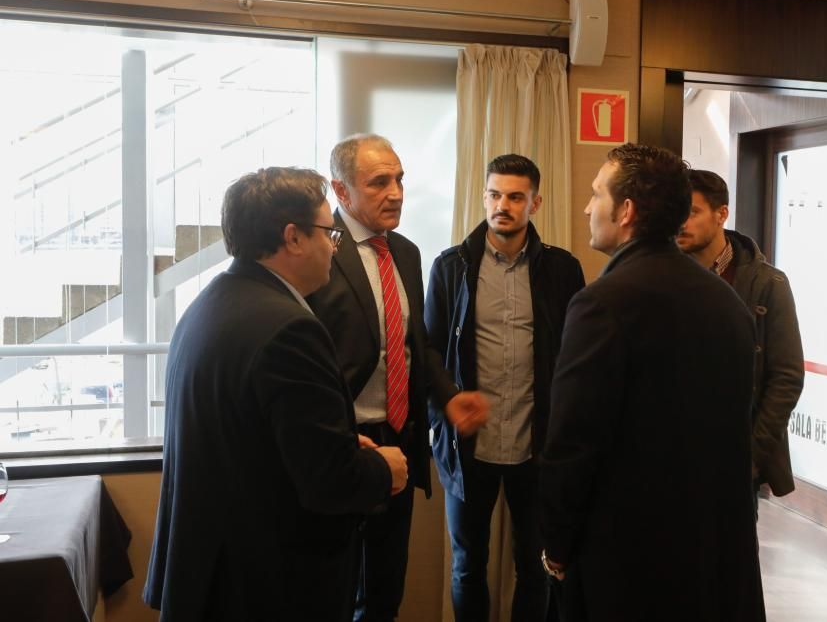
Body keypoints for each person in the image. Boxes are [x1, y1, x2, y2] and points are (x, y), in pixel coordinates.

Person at [144, 167, 408, 622]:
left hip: (212, 571)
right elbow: (328, 482)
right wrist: (382, 469)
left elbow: (256, 439)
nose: (333, 246)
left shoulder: (212, 304)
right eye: (330, 233)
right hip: (267, 583)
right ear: (293, 238)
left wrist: (340, 446)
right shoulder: (291, 329)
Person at [539, 144, 765, 621]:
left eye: (596, 193)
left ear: (625, 211)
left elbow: (574, 442)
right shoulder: (727, 304)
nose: (586, 206)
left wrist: (556, 544)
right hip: (711, 553)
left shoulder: (602, 302)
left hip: (626, 559)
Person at [308, 134, 489, 622]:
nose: (396, 193)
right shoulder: (318, 252)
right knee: (335, 589)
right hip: (343, 443)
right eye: (379, 182)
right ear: (341, 192)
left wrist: (448, 397)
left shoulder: (406, 253)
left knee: (386, 591)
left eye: (400, 179)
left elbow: (416, 345)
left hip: (402, 438)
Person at [425, 154, 585, 621]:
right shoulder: (450, 267)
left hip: (535, 446)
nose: (503, 206)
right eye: (495, 195)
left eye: (516, 197)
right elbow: (430, 350)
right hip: (469, 445)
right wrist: (449, 400)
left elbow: (574, 356)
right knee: (467, 566)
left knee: (535, 569)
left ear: (535, 202)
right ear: (484, 198)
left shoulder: (563, 270)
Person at [678, 169, 804, 504]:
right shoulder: (666, 277)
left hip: (735, 452)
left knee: (732, 554)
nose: (680, 223)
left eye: (691, 212)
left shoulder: (767, 283)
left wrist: (751, 457)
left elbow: (787, 377)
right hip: (675, 454)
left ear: (722, 214)